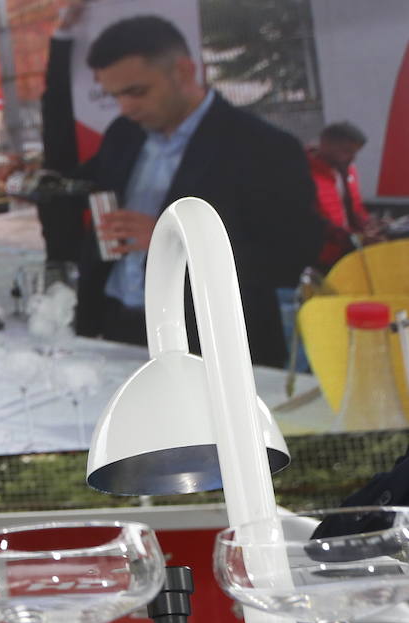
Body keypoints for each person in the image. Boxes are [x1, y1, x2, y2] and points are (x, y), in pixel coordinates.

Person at [68, 15, 321, 369]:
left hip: (211, 345)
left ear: (184, 72)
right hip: (117, 328)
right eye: (114, 96)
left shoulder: (263, 147)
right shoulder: (122, 135)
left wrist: (176, 239)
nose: (126, 108)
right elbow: (85, 189)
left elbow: (290, 257)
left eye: (137, 92)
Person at [308, 121, 383, 271]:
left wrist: (368, 224)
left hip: (348, 251)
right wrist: (355, 239)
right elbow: (310, 221)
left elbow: (355, 208)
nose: (352, 158)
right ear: (325, 144)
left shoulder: (348, 170)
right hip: (323, 259)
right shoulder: (305, 174)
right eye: (347, 151)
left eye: (355, 153)